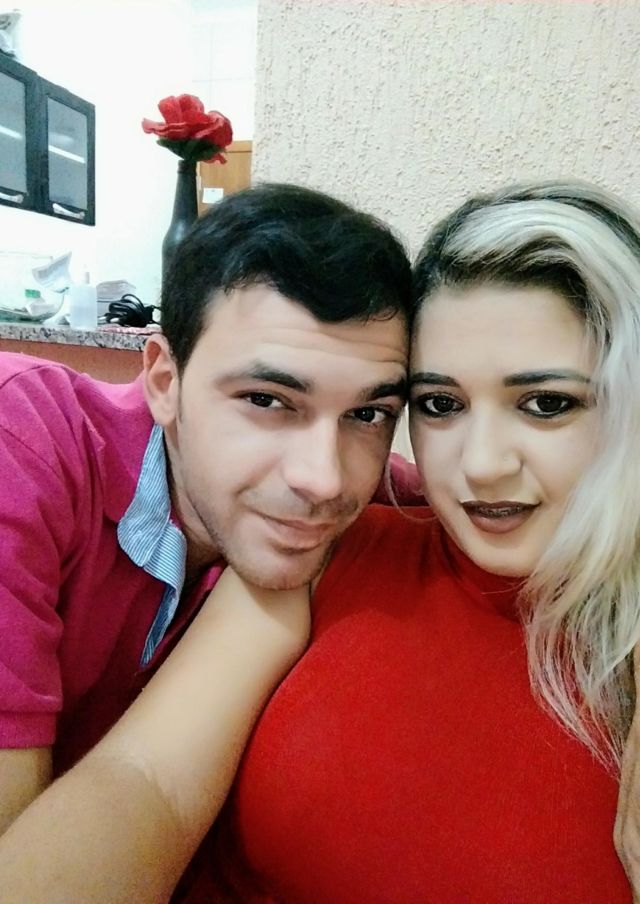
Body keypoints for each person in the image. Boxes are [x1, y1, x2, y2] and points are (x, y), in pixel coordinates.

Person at [195, 181, 640, 903]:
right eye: (440, 404)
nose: (481, 464)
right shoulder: (330, 550)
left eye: (546, 404)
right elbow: (140, 785)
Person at [0, 183, 414, 901]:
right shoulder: (24, 446)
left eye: (369, 413)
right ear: (164, 380)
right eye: (267, 401)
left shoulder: (376, 495)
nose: (324, 479)